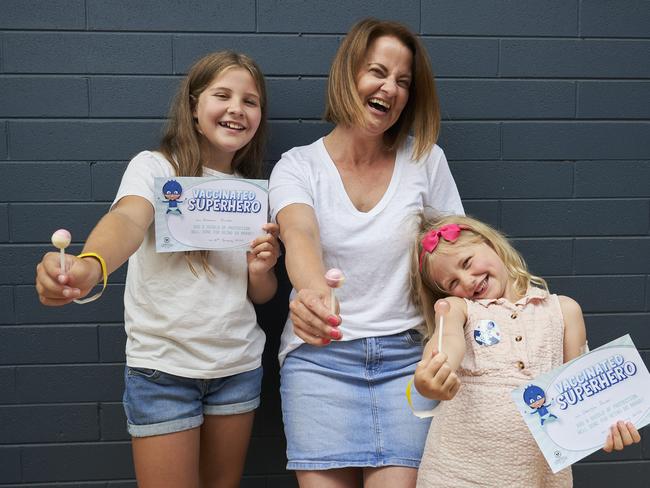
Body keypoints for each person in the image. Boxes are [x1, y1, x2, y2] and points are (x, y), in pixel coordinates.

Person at [35, 51, 280, 488]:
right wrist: (91, 264)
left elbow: (260, 295)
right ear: (193, 105)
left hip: (237, 367)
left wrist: (262, 269)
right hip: (162, 371)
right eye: (221, 95)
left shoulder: (253, 192)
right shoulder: (155, 167)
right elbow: (129, 219)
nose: (236, 109)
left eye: (250, 101)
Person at [269, 18, 463, 487]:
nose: (390, 89)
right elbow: (299, 235)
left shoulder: (426, 160)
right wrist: (314, 295)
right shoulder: (297, 166)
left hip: (407, 364)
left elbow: (458, 253)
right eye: (377, 72)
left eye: (403, 81)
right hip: (320, 362)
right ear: (347, 73)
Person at [410, 214, 642, 487]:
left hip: (536, 478)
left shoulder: (564, 311)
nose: (466, 281)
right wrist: (435, 372)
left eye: (467, 263)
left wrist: (607, 427)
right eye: (452, 283)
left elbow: (581, 402)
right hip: (455, 475)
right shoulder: (459, 309)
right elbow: (447, 341)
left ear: (491, 244)